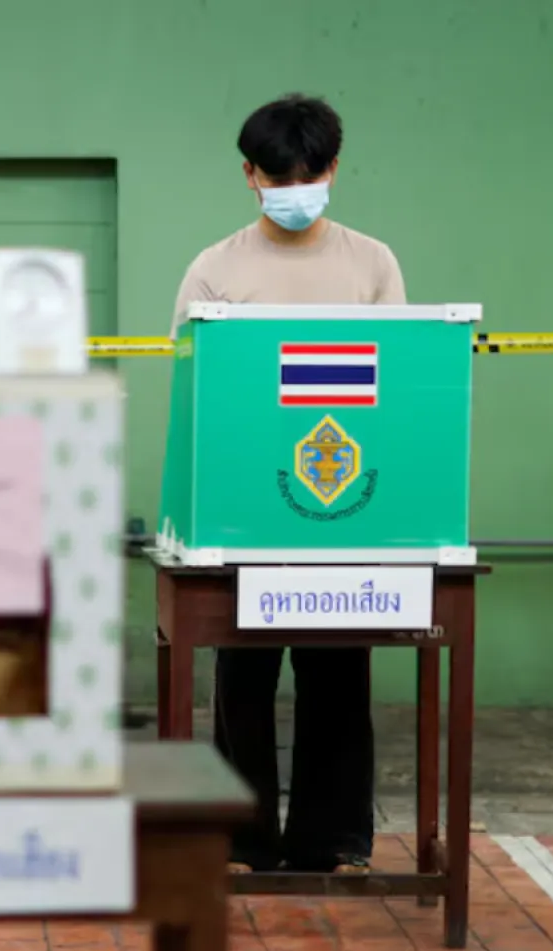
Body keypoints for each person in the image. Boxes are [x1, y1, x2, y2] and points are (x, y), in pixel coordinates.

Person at [168, 93, 406, 874]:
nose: (293, 189)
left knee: (337, 670)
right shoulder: (215, 268)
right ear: (249, 175)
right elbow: (193, 391)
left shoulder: (372, 264)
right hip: (241, 510)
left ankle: (334, 840)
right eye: (277, 176)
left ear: (333, 169)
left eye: (308, 174)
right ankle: (241, 839)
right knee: (242, 674)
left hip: (341, 504)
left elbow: (397, 386)